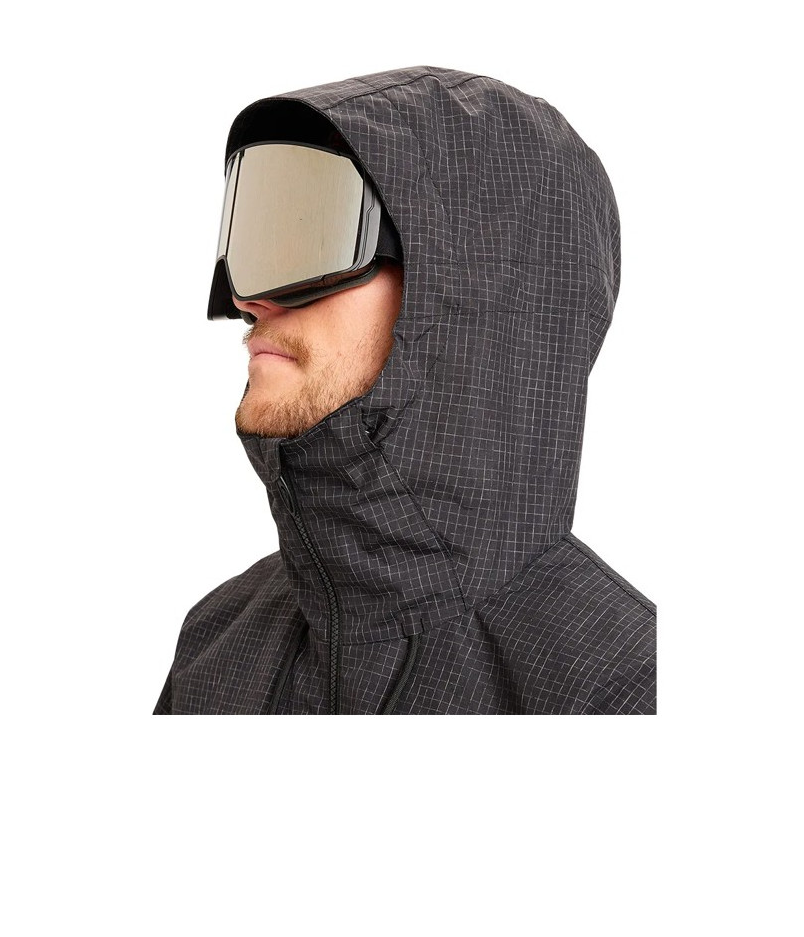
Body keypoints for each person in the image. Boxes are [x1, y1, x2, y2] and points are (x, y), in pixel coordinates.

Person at [153, 64, 656, 714]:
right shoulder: (217, 645)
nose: (248, 300)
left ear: (462, 295)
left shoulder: (623, 688)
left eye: (311, 244)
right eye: (255, 240)